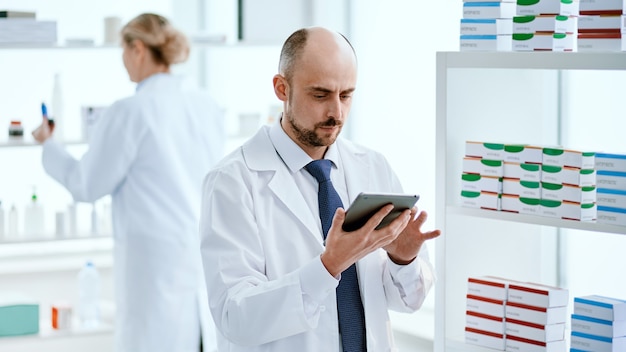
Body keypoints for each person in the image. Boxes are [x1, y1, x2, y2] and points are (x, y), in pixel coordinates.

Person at [199, 26, 441, 351]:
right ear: (282, 88)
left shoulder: (373, 167)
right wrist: (328, 266)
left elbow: (408, 301)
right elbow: (235, 317)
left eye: (346, 95)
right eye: (320, 95)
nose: (336, 113)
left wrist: (404, 260)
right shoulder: (232, 181)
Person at [32, 13, 223, 352]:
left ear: (137, 49)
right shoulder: (205, 106)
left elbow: (86, 185)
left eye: (122, 51)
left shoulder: (130, 111)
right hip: (198, 257)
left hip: (153, 265)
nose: (122, 62)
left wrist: (49, 145)